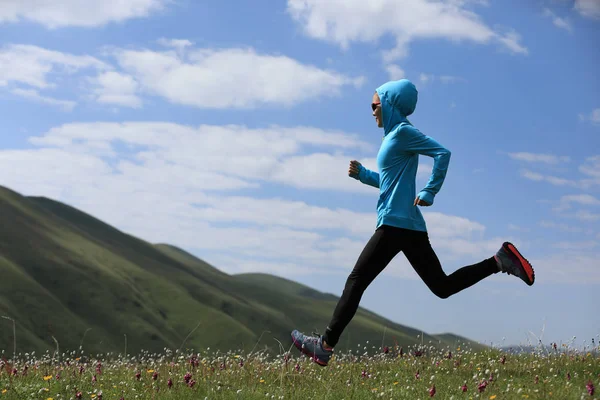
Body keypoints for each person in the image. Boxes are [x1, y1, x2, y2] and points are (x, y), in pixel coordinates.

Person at [290, 79, 535, 367]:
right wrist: (365, 175)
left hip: (396, 224)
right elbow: (393, 183)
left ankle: (324, 346)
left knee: (356, 281)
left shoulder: (404, 132)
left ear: (390, 103)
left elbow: (443, 153)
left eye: (374, 105)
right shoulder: (393, 135)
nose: (371, 112)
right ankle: (499, 260)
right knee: (442, 287)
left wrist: (430, 190)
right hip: (408, 225)